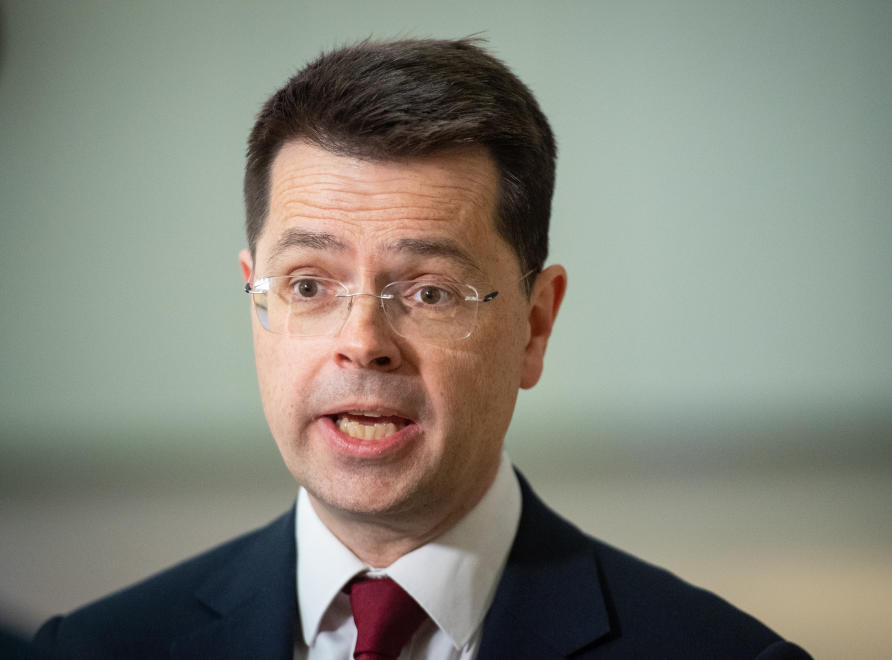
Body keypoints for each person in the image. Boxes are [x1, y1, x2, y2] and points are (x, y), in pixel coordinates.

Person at [33, 38, 810, 659]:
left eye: (430, 292)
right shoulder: (92, 648)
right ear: (254, 297)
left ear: (536, 325)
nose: (364, 344)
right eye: (308, 286)